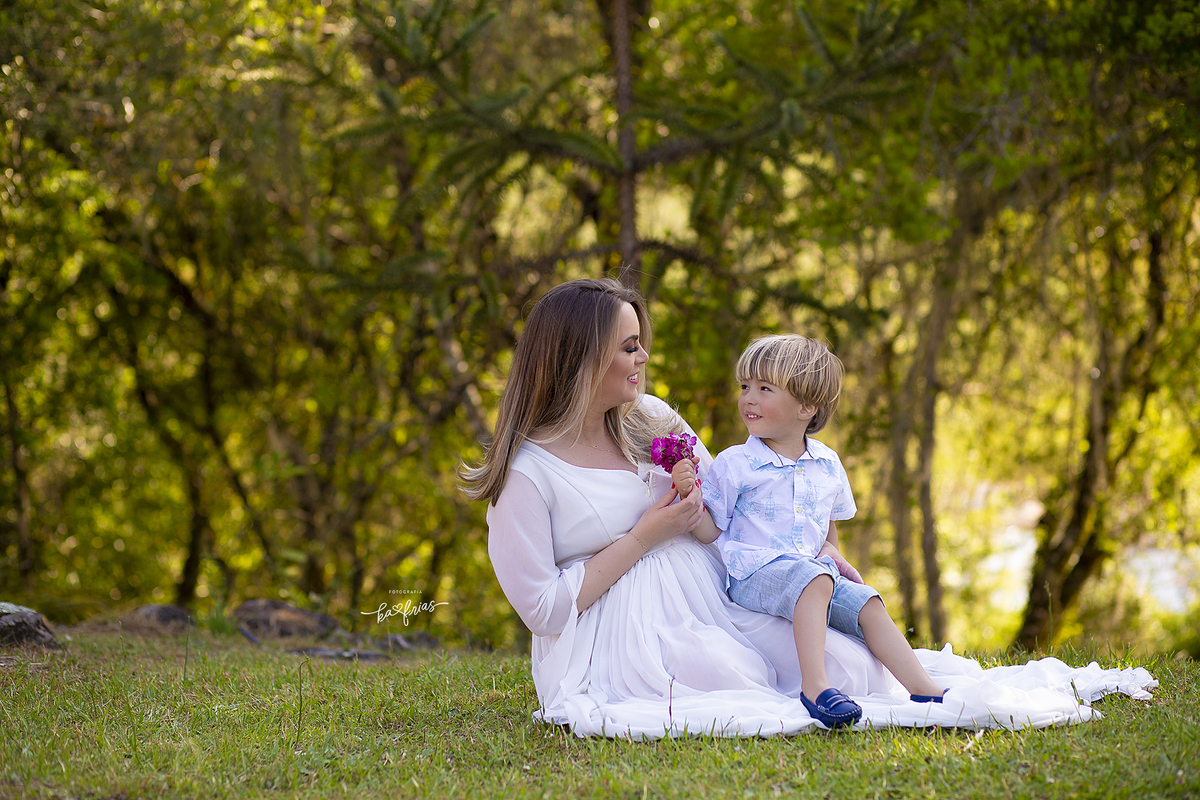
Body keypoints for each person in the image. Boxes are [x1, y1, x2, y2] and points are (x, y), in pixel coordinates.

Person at [463, 278, 1156, 739]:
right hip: (618, 631)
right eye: (629, 345)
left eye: (641, 340)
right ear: (582, 356)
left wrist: (817, 555)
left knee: (850, 670)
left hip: (717, 586)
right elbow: (545, 611)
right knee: (731, 683)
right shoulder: (529, 475)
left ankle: (922, 692)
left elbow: (734, 509)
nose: (643, 357)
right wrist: (646, 535)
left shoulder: (648, 417)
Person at [673, 334, 944, 728]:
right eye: (745, 386)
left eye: (764, 388)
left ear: (806, 407)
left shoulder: (828, 464)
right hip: (755, 574)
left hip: (811, 574)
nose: (748, 398)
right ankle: (816, 688)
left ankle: (924, 688)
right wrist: (688, 493)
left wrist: (832, 552)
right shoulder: (737, 464)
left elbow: (826, 529)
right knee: (815, 578)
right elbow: (711, 531)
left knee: (867, 601)